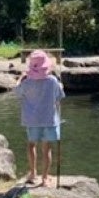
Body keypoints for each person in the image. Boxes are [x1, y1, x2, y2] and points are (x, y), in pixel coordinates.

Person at [15, 50, 65, 187]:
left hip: (31, 120)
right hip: (49, 119)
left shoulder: (27, 82)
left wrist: (20, 79)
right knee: (46, 148)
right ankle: (44, 178)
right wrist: (60, 86)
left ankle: (32, 174)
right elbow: (60, 96)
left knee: (31, 145)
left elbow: (17, 93)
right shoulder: (53, 81)